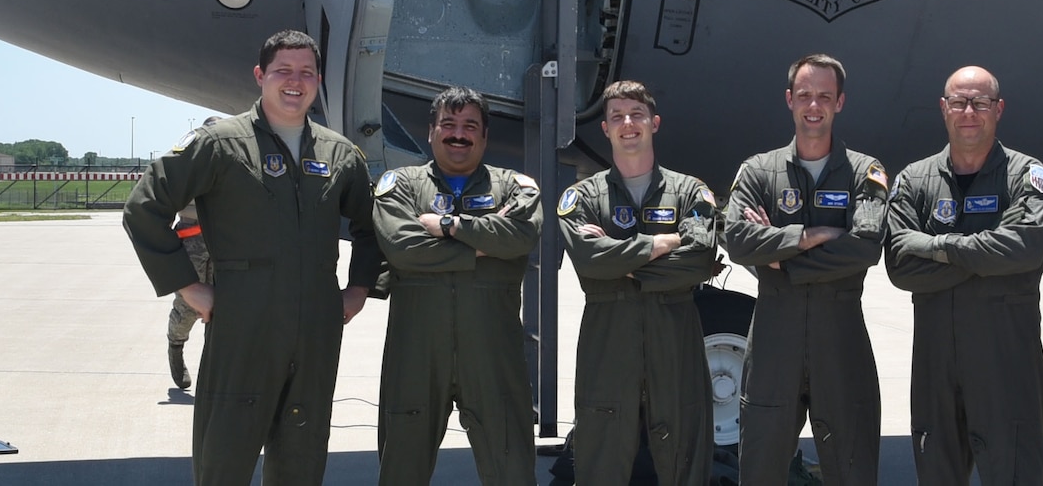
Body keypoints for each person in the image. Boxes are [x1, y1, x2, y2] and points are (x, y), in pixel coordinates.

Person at [121, 30, 382, 486]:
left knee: (302, 458)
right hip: (241, 323)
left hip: (316, 331)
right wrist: (189, 287)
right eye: (283, 70)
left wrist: (359, 289)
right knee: (224, 457)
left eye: (306, 73)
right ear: (261, 75)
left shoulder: (340, 155)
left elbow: (371, 226)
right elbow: (144, 208)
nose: (294, 82)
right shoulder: (220, 143)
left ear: (318, 81)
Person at [722, 53, 890, 486]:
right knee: (761, 463)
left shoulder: (864, 173)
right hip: (776, 333)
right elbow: (737, 239)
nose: (813, 105)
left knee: (853, 465)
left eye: (824, 96)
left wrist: (778, 255)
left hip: (841, 333)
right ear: (789, 100)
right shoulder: (759, 171)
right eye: (804, 95)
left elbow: (865, 246)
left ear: (840, 103)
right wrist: (809, 236)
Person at [884, 66, 1043, 485]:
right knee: (936, 470)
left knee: (1016, 472)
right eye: (959, 102)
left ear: (999, 109)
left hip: (1006, 358)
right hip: (935, 361)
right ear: (944, 108)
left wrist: (936, 246)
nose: (969, 112)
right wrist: (983, 259)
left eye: (980, 102)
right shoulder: (915, 179)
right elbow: (900, 265)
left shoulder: (1025, 175)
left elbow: (1022, 249)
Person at [372, 87, 541, 486]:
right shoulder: (400, 185)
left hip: (493, 354)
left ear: (484, 136)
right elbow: (403, 248)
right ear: (431, 131)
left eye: (470, 126)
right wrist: (483, 246)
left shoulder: (515, 186)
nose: (458, 134)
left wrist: (450, 227)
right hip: (415, 352)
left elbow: (519, 238)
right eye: (448, 124)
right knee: (401, 469)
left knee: (512, 467)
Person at [558, 80, 722, 486]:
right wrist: (662, 244)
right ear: (606, 129)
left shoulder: (690, 192)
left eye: (636, 114)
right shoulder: (583, 197)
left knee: (686, 458)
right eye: (617, 117)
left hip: (675, 341)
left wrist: (622, 260)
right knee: (601, 459)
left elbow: (700, 259)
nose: (627, 123)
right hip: (608, 344)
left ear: (654, 123)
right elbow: (587, 259)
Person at [166, 115, 223, 392]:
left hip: (225, 244)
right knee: (189, 307)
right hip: (193, 241)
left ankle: (218, 369)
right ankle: (175, 348)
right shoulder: (185, 162)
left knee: (226, 307)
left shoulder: (232, 160)